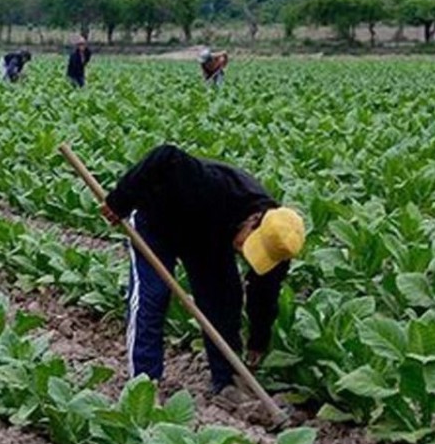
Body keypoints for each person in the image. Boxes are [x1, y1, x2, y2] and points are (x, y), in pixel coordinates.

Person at [100, 144, 306, 412]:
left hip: (208, 236)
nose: (245, 252)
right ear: (254, 220)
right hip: (158, 220)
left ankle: (227, 382)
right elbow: (165, 155)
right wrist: (120, 200)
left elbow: (263, 294)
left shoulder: (280, 243)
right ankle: (143, 385)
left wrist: (258, 339)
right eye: (248, 245)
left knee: (224, 300)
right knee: (153, 297)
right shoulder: (211, 186)